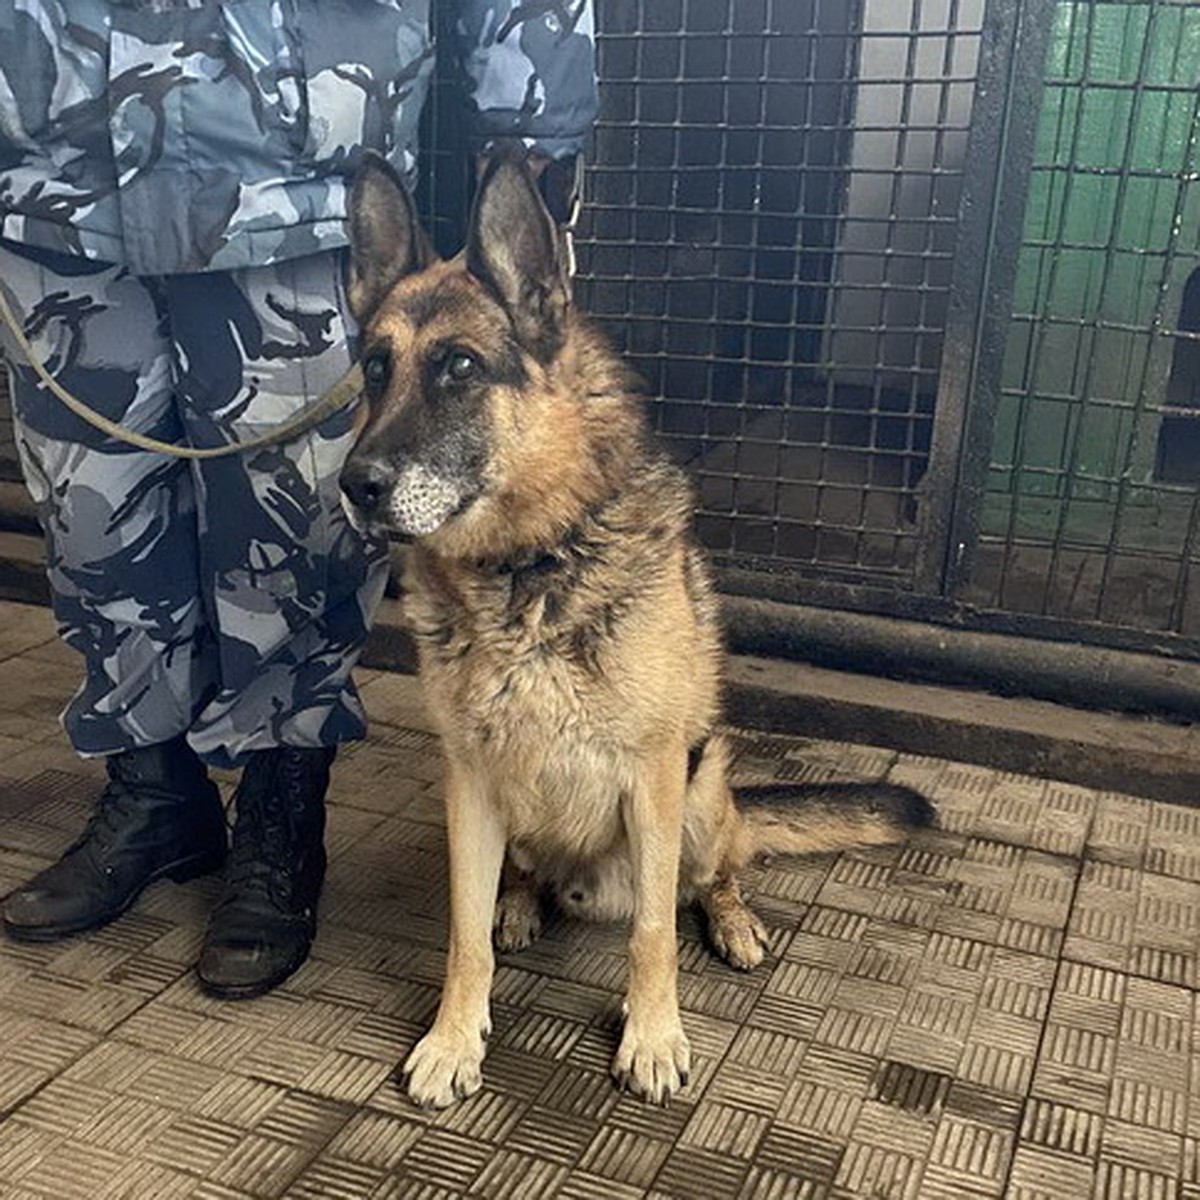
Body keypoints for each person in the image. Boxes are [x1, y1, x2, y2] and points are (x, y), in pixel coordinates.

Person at [0, 0, 597, 999]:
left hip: (288, 175)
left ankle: (281, 815)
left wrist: (532, 140)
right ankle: (154, 793)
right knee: (89, 517)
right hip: (56, 190)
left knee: (293, 530)